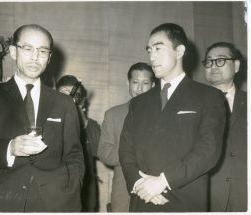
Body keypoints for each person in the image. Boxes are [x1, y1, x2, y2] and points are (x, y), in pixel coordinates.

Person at [0, 24, 85, 212]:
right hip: (1, 202)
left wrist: (68, 193)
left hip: (54, 205)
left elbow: (75, 157)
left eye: (42, 51)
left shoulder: (64, 103)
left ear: (49, 58)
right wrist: (9, 148)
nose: (35, 57)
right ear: (13, 52)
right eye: (28, 49)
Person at [119, 23, 227, 212]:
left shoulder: (209, 97)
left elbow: (208, 151)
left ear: (179, 51)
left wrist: (163, 181)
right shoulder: (138, 103)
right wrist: (138, 183)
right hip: (141, 201)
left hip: (184, 201)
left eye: (158, 49)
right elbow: (125, 150)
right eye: (149, 50)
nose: (152, 56)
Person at [97, 62, 155, 212]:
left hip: (157, 188)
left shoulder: (164, 115)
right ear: (128, 83)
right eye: (135, 82)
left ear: (153, 85)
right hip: (123, 192)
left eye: (145, 83)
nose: (140, 88)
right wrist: (133, 153)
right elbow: (104, 152)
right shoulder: (113, 115)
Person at [203, 42, 247, 212]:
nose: (213, 66)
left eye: (220, 60)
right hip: (207, 196)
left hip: (244, 195)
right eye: (209, 62)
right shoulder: (192, 104)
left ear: (236, 66)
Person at [57, 75, 100, 212]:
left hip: (84, 197)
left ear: (82, 102)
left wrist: (81, 118)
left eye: (74, 98)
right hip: (54, 197)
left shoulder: (90, 126)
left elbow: (100, 150)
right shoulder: (47, 124)